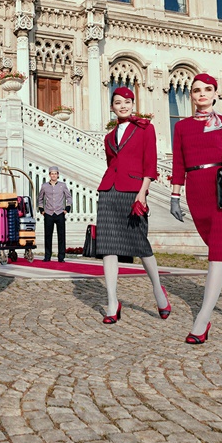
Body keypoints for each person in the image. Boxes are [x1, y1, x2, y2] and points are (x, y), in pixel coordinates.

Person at [170, 73, 222, 344]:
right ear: (190, 95)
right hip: (196, 192)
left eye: (207, 89)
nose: (201, 94)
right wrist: (174, 195)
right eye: (196, 90)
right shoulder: (181, 127)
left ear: (216, 94)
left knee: (216, 255)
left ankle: (202, 320)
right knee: (219, 252)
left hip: (221, 192)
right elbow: (179, 164)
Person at [96, 87, 171, 324]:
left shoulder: (145, 128)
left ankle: (158, 291)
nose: (123, 105)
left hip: (133, 192)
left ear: (132, 103)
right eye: (118, 102)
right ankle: (111, 302)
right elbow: (112, 164)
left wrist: (143, 193)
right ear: (112, 107)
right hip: (109, 192)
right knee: (107, 246)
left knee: (141, 244)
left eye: (127, 101)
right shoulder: (108, 137)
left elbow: (150, 162)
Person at [37, 166, 71, 262]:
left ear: (58, 175)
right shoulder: (44, 186)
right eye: (52, 174)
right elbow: (40, 198)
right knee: (48, 236)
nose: (54, 175)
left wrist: (67, 209)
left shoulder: (62, 185)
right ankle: (47, 256)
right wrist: (42, 210)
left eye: (55, 173)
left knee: (61, 236)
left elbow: (69, 197)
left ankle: (61, 257)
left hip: (60, 213)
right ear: (49, 175)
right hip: (48, 213)